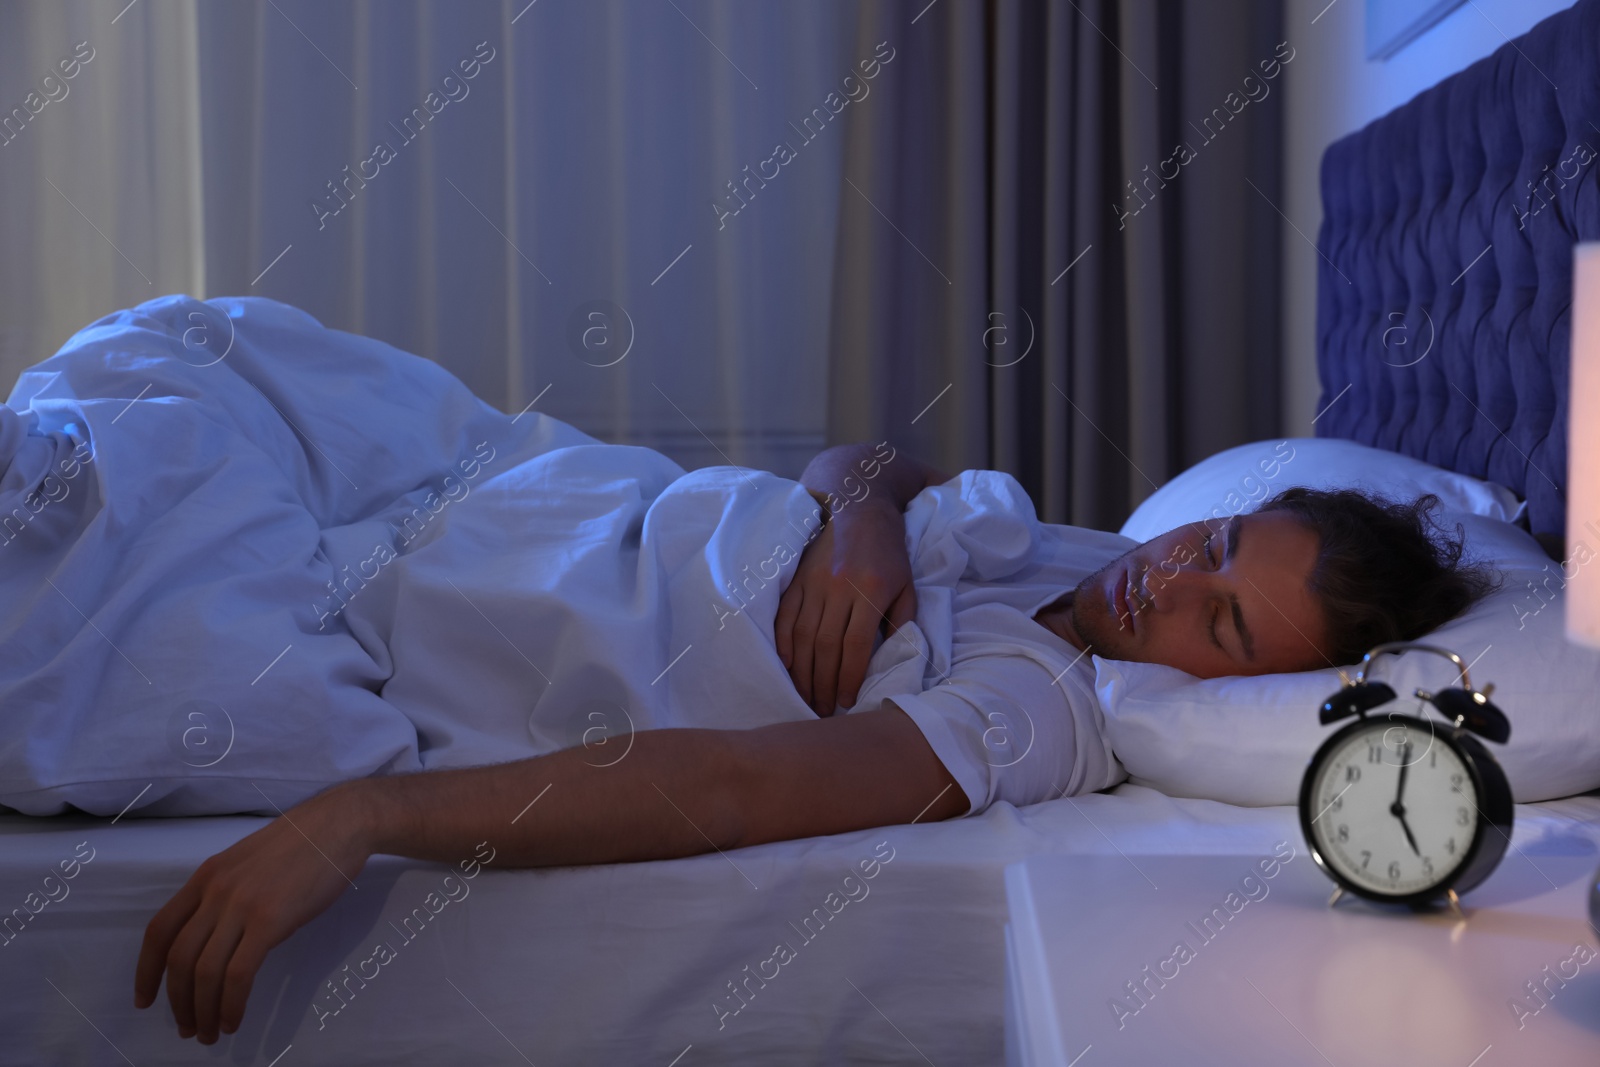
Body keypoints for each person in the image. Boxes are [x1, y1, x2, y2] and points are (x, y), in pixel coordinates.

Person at [132, 441, 1497, 1044]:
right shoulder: (1098, 557)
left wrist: (356, 817)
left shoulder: (1037, 714)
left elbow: (725, 787)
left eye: (1226, 629)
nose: (1170, 583)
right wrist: (861, 513)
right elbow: (873, 458)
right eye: (1214, 544)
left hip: (532, 611)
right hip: (558, 497)